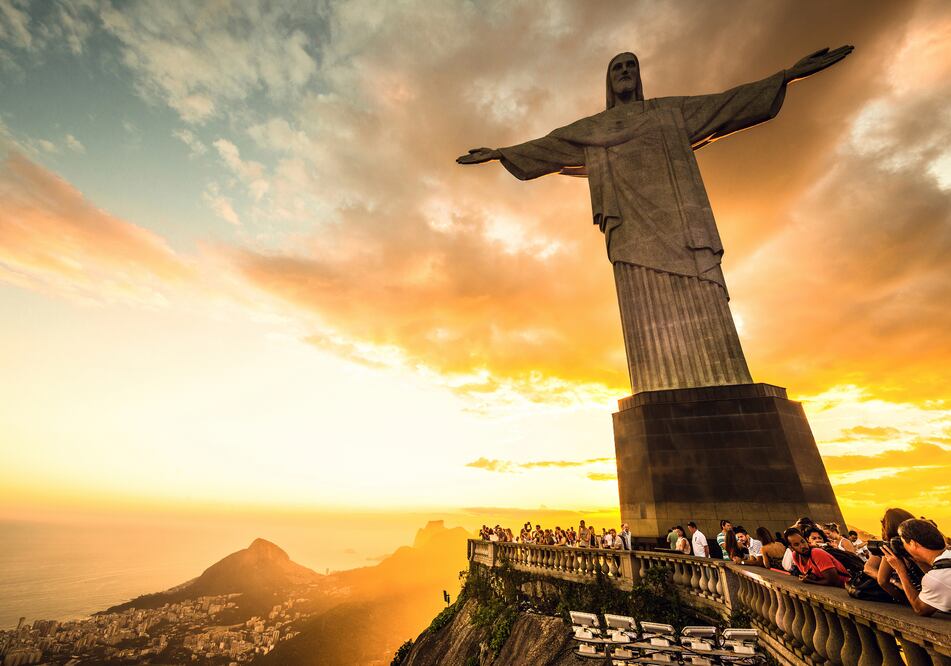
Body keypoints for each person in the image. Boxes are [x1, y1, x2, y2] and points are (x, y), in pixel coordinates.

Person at [882, 519, 951, 616]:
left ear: (913, 544)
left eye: (903, 543)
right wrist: (916, 559)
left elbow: (920, 608)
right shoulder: (945, 562)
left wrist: (900, 570)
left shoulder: (936, 578)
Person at [868, 507, 922, 603]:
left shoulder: (891, 548)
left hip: (920, 599)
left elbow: (882, 581)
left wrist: (904, 600)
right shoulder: (921, 542)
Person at [784, 527, 851, 587]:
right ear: (791, 548)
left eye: (802, 541)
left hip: (845, 589)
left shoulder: (816, 553)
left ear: (806, 540)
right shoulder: (796, 556)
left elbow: (833, 580)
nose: (802, 546)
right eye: (796, 544)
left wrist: (810, 581)